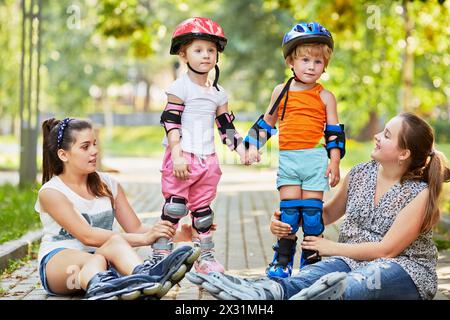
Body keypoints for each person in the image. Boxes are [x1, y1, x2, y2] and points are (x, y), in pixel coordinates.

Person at [186, 112, 450, 300]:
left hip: (404, 268)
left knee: (351, 285)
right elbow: (325, 214)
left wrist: (331, 247)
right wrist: (287, 219)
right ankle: (257, 291)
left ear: (403, 153)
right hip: (350, 260)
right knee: (308, 277)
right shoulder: (360, 174)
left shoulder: (420, 193)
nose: (377, 136)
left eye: (388, 135)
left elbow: (387, 250)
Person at [36, 118, 201, 300]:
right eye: (85, 147)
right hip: (59, 268)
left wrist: (179, 235)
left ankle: (145, 280)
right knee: (98, 257)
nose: (94, 151)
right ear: (63, 155)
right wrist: (145, 239)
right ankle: (107, 287)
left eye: (95, 144)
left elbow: (136, 229)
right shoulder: (51, 192)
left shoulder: (108, 184)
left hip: (103, 262)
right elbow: (87, 236)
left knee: (111, 247)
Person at [243, 22, 346, 278]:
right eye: (305, 60)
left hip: (314, 160)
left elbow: (333, 134)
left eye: (318, 62)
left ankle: (311, 260)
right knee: (289, 213)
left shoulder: (325, 96)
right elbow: (268, 121)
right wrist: (250, 147)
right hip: (289, 159)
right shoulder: (282, 91)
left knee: (312, 216)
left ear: (325, 65)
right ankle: (283, 258)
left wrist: (335, 163)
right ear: (291, 61)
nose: (311, 66)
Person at [154, 17, 248, 274]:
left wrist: (241, 149)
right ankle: (160, 255)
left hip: (208, 159)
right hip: (182, 155)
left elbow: (225, 125)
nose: (206, 55)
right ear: (184, 54)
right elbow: (171, 122)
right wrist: (176, 153)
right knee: (174, 207)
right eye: (198, 50)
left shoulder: (218, 92)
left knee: (203, 212)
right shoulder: (179, 87)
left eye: (211, 50)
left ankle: (204, 257)